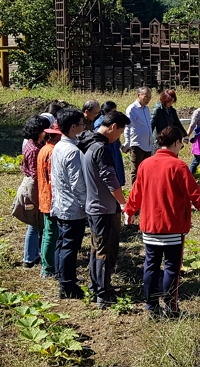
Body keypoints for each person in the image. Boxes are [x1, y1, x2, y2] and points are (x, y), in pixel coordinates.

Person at [124, 126, 200, 318]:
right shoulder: (179, 167)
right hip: (172, 226)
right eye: (181, 144)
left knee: (150, 266)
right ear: (175, 143)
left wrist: (129, 212)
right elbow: (197, 197)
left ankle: (151, 308)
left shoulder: (145, 164)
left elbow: (135, 193)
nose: (181, 148)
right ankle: (171, 309)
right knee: (172, 268)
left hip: (150, 226)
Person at [77, 111, 130, 307]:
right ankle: (103, 293)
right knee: (105, 251)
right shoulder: (100, 148)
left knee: (96, 249)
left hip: (93, 206)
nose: (119, 138)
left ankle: (95, 286)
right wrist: (123, 203)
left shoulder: (87, 144)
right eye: (121, 132)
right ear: (113, 127)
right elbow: (110, 179)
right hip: (104, 208)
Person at [51, 108, 89, 299]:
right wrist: (86, 204)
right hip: (72, 207)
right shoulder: (72, 151)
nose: (84, 127)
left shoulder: (58, 146)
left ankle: (61, 276)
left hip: (59, 203)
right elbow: (78, 183)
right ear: (74, 127)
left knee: (62, 242)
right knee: (70, 246)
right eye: (82, 124)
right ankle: (67, 285)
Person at [17, 115, 50, 268]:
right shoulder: (36, 149)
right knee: (35, 223)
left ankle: (33, 254)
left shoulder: (31, 144)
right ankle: (29, 258)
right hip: (33, 188)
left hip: (30, 184)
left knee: (36, 222)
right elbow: (37, 173)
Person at [37, 123, 62, 279]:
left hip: (44, 196)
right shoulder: (52, 152)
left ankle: (48, 265)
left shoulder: (44, 149)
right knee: (51, 233)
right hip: (51, 198)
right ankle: (48, 267)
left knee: (48, 232)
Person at [123, 87, 154, 184]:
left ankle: (145, 191)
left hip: (148, 144)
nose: (148, 99)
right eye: (146, 97)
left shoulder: (146, 108)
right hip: (137, 144)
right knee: (136, 170)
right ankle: (135, 195)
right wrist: (127, 142)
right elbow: (127, 126)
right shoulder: (132, 109)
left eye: (149, 97)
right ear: (138, 95)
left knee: (147, 170)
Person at [94, 101, 126, 187]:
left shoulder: (113, 122)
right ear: (105, 112)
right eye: (113, 111)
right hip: (108, 149)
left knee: (117, 168)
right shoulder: (100, 122)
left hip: (114, 147)